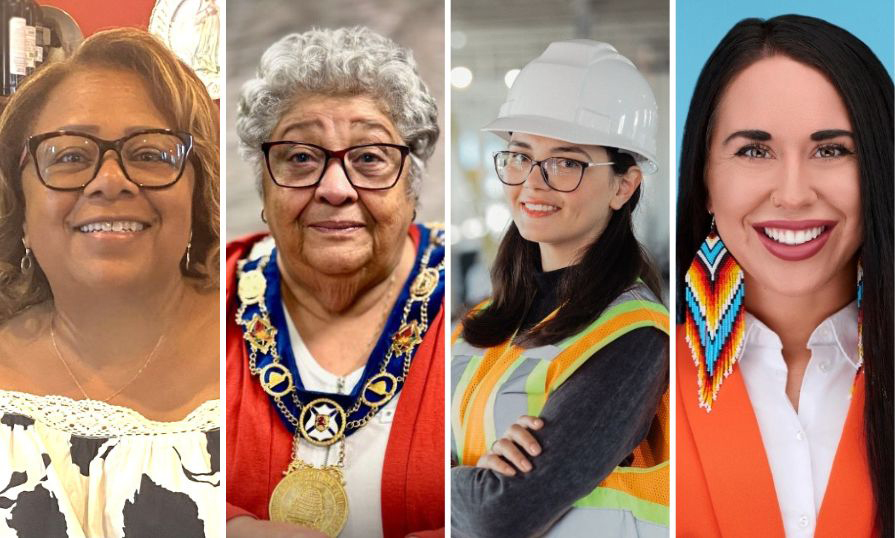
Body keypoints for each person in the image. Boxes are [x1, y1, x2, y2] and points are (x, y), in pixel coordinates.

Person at [676, 14, 893, 536]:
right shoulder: (643, 371)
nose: (793, 194)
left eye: (832, 150)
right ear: (705, 179)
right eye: (754, 150)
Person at [0, 28, 221, 537]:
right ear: (23, 209)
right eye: (70, 156)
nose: (111, 180)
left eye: (149, 154)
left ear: (197, 192)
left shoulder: (260, 347)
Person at [226, 27, 445, 538]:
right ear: (263, 176)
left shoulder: (483, 312)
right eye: (301, 157)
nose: (335, 188)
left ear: (411, 181)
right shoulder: (199, 302)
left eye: (369, 157)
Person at [451, 40, 669, 537]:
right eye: (520, 156)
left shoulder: (632, 336)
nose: (533, 183)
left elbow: (499, 515)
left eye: (566, 162)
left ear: (624, 185)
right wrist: (471, 480)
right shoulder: (478, 327)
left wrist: (454, 489)